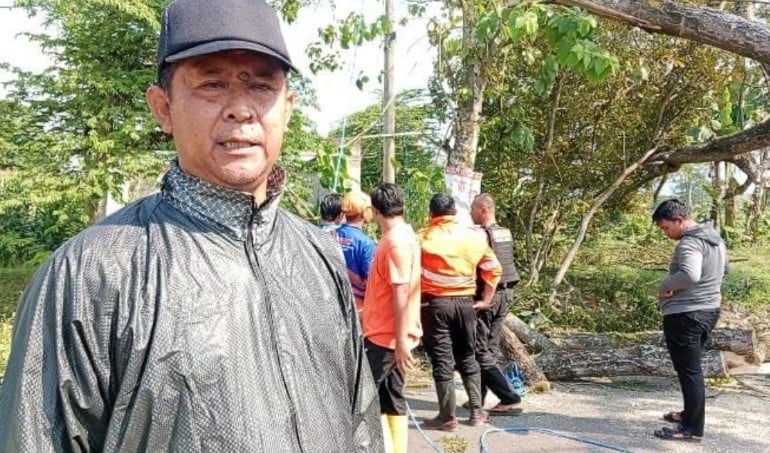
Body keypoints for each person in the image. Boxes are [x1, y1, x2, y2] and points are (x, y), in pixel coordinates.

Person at [0, 0, 383, 450]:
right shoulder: (89, 274)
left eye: (262, 86)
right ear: (163, 107)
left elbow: (360, 425)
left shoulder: (318, 256)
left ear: (288, 107)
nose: (241, 109)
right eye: (213, 84)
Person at [419, 193, 502, 431]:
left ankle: (447, 418)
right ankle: (477, 412)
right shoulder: (474, 237)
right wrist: (486, 299)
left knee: (443, 361)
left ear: (431, 214)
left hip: (435, 306)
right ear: (455, 212)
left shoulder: (422, 238)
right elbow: (493, 270)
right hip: (466, 305)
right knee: (468, 356)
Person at [652, 199, 728, 442]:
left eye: (666, 228)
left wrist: (666, 286)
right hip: (708, 311)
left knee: (689, 371)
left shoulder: (690, 242)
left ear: (679, 220)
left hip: (686, 315)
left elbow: (690, 274)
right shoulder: (714, 239)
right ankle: (689, 414)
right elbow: (725, 270)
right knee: (691, 369)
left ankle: (691, 429)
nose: (666, 234)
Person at [363, 183, 422, 453]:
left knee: (364, 399)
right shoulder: (406, 235)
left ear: (375, 211)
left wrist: (399, 342)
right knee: (391, 397)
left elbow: (401, 293)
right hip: (391, 333)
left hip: (385, 337)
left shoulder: (395, 242)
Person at [469, 193, 523, 415]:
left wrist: (483, 298)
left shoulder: (482, 234)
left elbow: (487, 267)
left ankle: (509, 397)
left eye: (473, 209)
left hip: (488, 297)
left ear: (483, 209)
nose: (471, 214)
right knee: (487, 348)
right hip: (506, 293)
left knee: (479, 350)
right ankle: (477, 398)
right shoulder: (504, 232)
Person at [337, 190, 377, 311]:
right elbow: (371, 278)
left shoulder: (330, 235)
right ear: (365, 212)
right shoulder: (366, 243)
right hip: (357, 306)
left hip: (334, 301)